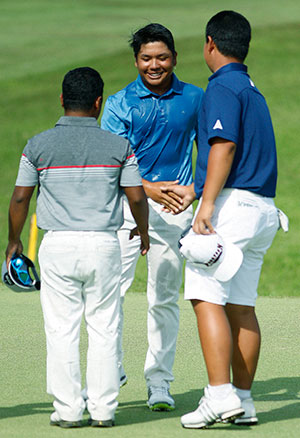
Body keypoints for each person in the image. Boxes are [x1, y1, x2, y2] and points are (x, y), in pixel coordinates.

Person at [5, 67, 149, 428]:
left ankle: (68, 410)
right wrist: (143, 232)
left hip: (58, 245)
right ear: (99, 102)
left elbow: (21, 198)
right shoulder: (119, 146)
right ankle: (103, 411)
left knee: (61, 328)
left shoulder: (37, 145)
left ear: (61, 100)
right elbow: (136, 197)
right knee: (104, 327)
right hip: (104, 243)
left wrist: (13, 240)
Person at [166, 11, 279, 428]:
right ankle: (244, 401)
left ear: (210, 43)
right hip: (262, 210)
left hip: (231, 211)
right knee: (241, 306)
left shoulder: (222, 87)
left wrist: (206, 204)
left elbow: (224, 147)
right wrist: (197, 188)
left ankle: (218, 394)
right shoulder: (251, 88)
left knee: (204, 294)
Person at [101, 23, 204, 410]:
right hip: (125, 210)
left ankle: (159, 382)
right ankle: (109, 369)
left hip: (176, 211)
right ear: (136, 60)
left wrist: (193, 189)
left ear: (174, 58)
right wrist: (149, 188)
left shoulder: (195, 98)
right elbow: (113, 164)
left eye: (162, 57)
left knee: (163, 298)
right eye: (147, 58)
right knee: (111, 293)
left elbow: (213, 151)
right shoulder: (119, 102)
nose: (154, 65)